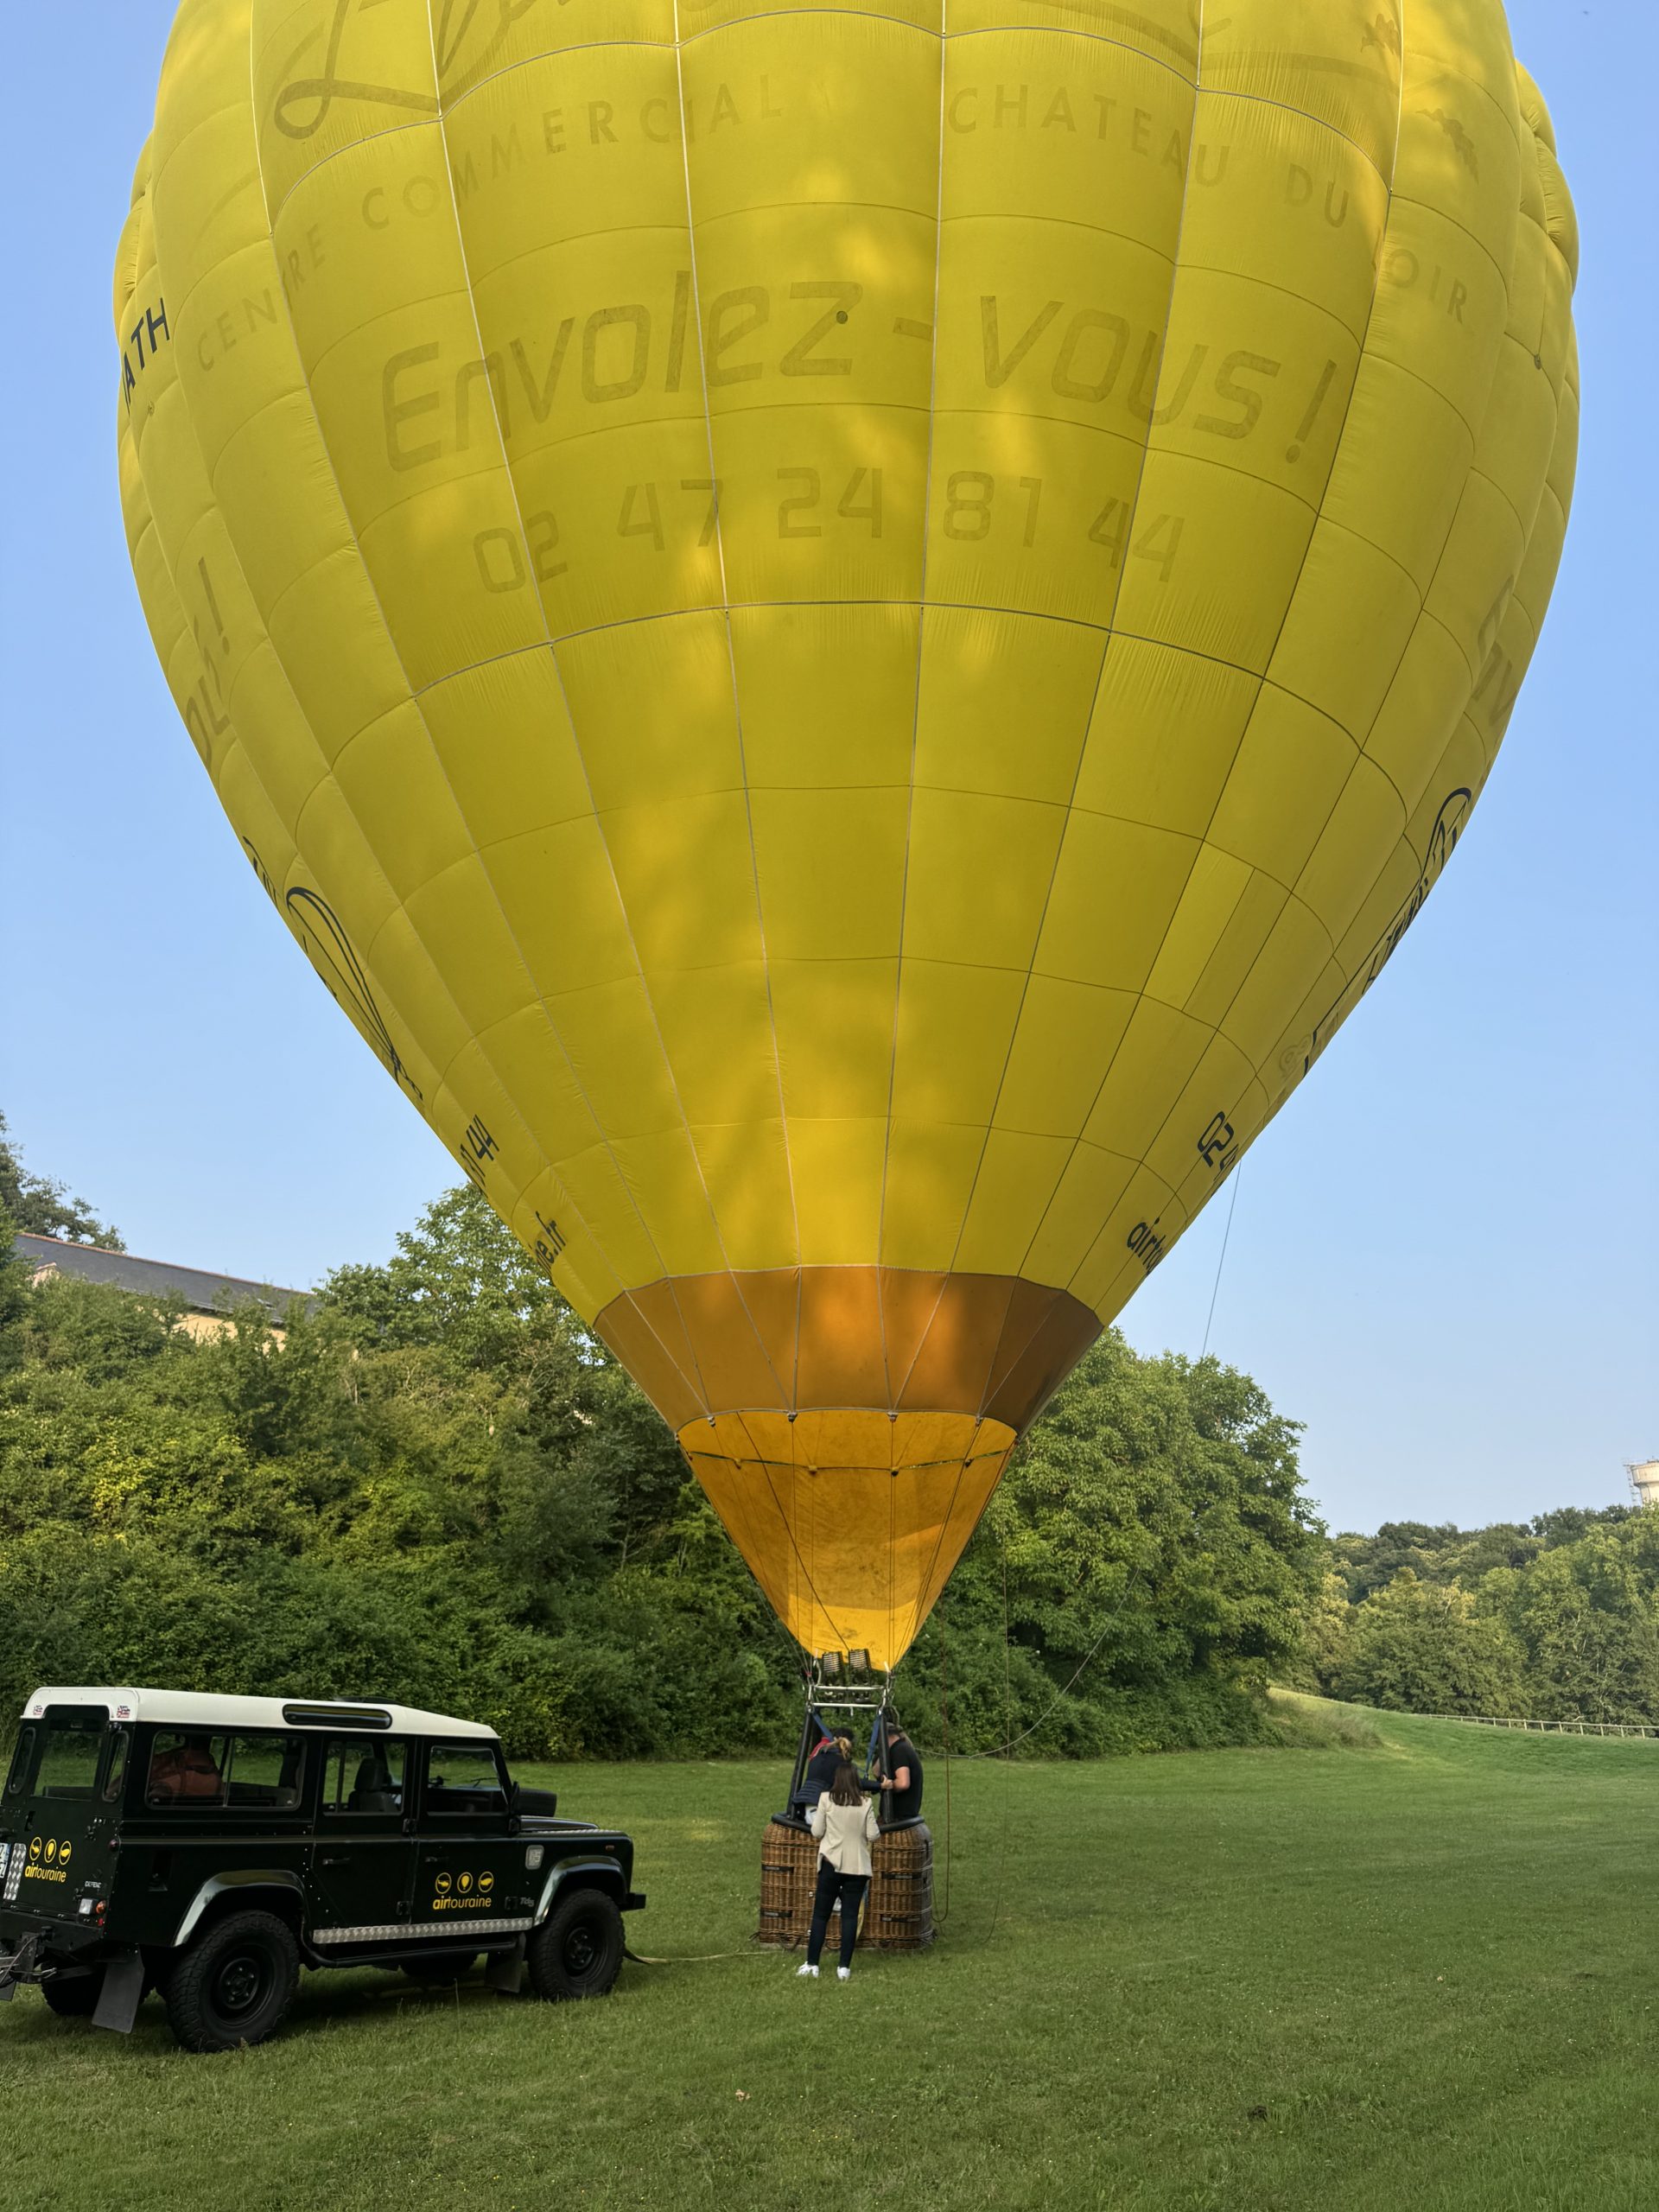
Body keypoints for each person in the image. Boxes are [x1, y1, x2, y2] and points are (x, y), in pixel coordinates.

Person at [797, 1761, 880, 1980]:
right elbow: (873, 1835)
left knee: (821, 1914)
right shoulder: (866, 1803)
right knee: (850, 1915)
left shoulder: (826, 1799)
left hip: (831, 1862)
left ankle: (812, 1963)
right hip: (858, 1865)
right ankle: (844, 1967)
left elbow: (816, 1831)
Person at [792, 1728, 853, 1814]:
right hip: (818, 1806)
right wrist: (877, 1785)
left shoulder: (821, 1753)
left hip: (806, 1805)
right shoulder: (839, 1760)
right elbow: (853, 1782)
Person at [880, 1721, 924, 1821]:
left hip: (900, 1817)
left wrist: (884, 1786)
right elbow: (875, 1771)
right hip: (901, 1815)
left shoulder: (899, 1751)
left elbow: (903, 1783)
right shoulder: (900, 1748)